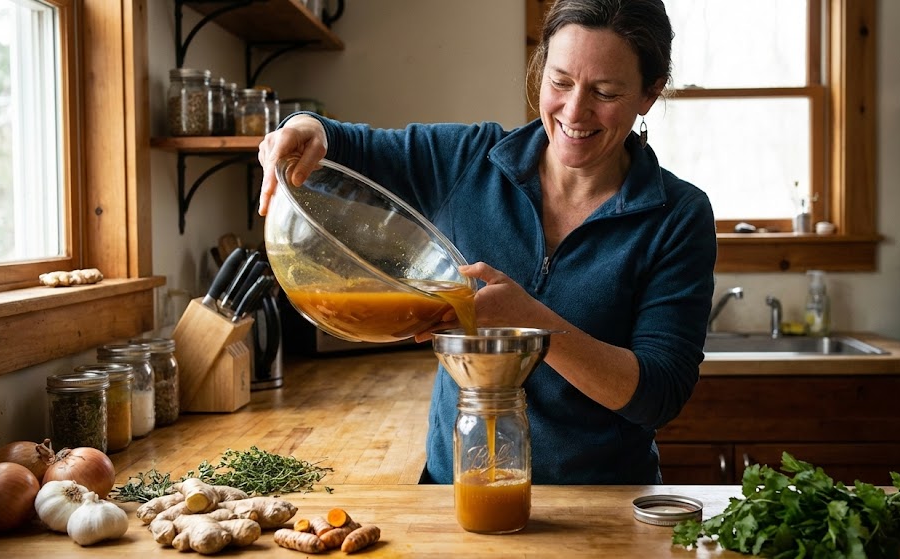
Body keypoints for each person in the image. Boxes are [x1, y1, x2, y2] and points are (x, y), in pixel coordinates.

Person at [257, 0, 716, 485]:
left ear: (649, 93)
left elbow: (659, 395)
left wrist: (530, 325)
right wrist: (301, 128)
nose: (574, 110)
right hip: (456, 493)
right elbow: (343, 144)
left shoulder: (678, 215)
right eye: (560, 81)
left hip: (601, 504)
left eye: (604, 91)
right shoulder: (468, 159)